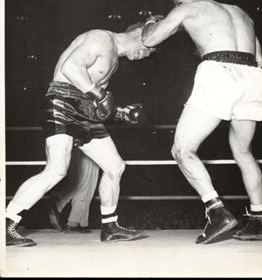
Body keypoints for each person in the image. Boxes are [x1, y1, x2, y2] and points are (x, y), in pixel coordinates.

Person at [142, 0, 262, 244]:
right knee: (244, 152)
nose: (176, 8)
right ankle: (259, 222)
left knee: (182, 149)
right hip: (252, 77)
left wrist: (150, 22)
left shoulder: (188, 8)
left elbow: (150, 40)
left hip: (219, 71)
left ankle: (217, 212)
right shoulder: (241, 12)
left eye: (178, 2)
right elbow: (259, 59)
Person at [6, 22, 152, 246]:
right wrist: (101, 96)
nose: (148, 53)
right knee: (56, 169)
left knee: (115, 167)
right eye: (150, 45)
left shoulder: (115, 62)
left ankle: (110, 227)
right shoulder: (102, 38)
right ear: (139, 31)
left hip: (84, 110)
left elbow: (94, 99)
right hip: (63, 102)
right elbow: (71, 68)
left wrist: (118, 112)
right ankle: (6, 224)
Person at [48, 148, 99, 233]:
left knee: (81, 183)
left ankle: (74, 223)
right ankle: (60, 201)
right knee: (86, 183)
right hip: (88, 143)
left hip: (76, 145)